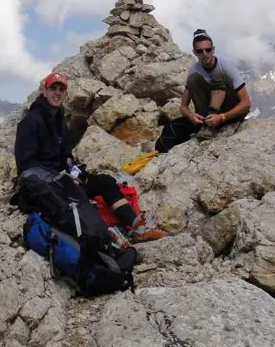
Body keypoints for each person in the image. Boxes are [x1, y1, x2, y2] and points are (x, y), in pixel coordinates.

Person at [14, 72, 167, 242]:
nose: (57, 93)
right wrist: (61, 179)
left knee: (104, 181)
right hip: (44, 188)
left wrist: (77, 173)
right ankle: (106, 238)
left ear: (66, 94)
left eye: (61, 89)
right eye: (53, 88)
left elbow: (66, 156)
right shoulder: (31, 121)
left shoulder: (59, 121)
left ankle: (136, 227)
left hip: (64, 180)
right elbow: (26, 166)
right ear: (44, 91)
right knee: (78, 198)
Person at [155, 28, 251, 153]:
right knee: (193, 79)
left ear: (213, 50)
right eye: (200, 51)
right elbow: (183, 107)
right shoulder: (194, 71)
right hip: (209, 117)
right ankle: (207, 123)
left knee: (217, 77)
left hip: (230, 114)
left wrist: (222, 117)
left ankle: (210, 125)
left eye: (208, 50)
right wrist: (191, 116)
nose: (205, 53)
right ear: (195, 52)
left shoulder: (226, 66)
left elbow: (246, 103)